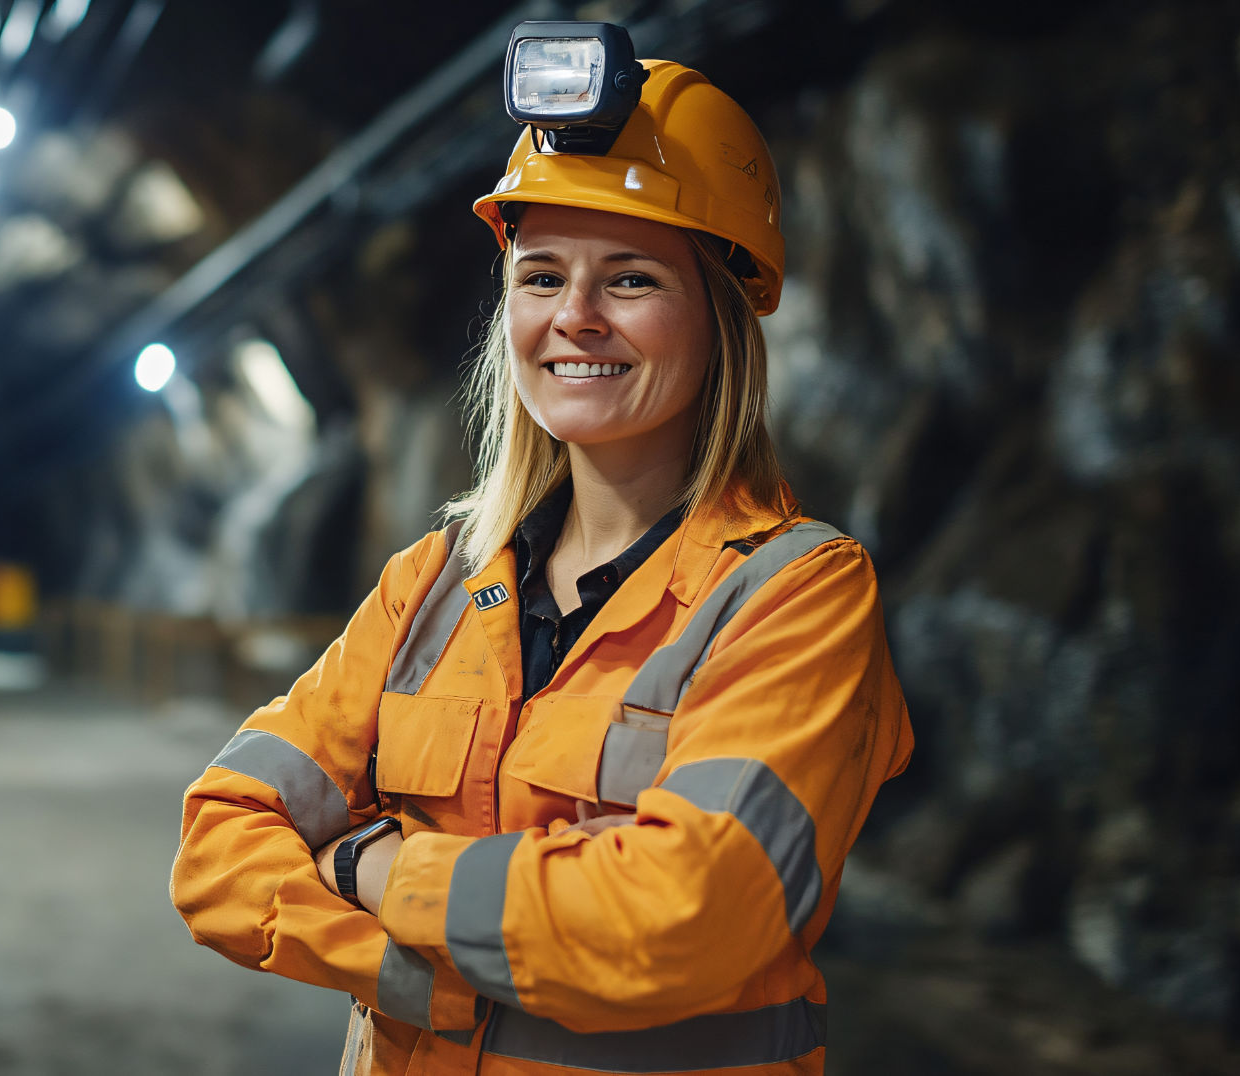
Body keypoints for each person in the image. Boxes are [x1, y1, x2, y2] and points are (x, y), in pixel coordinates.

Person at [170, 37, 913, 1076]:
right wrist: (435, 977)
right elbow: (218, 842)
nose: (575, 317)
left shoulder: (793, 594)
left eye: (633, 277)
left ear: (720, 316)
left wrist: (374, 860)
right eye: (543, 274)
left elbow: (679, 918)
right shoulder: (432, 580)